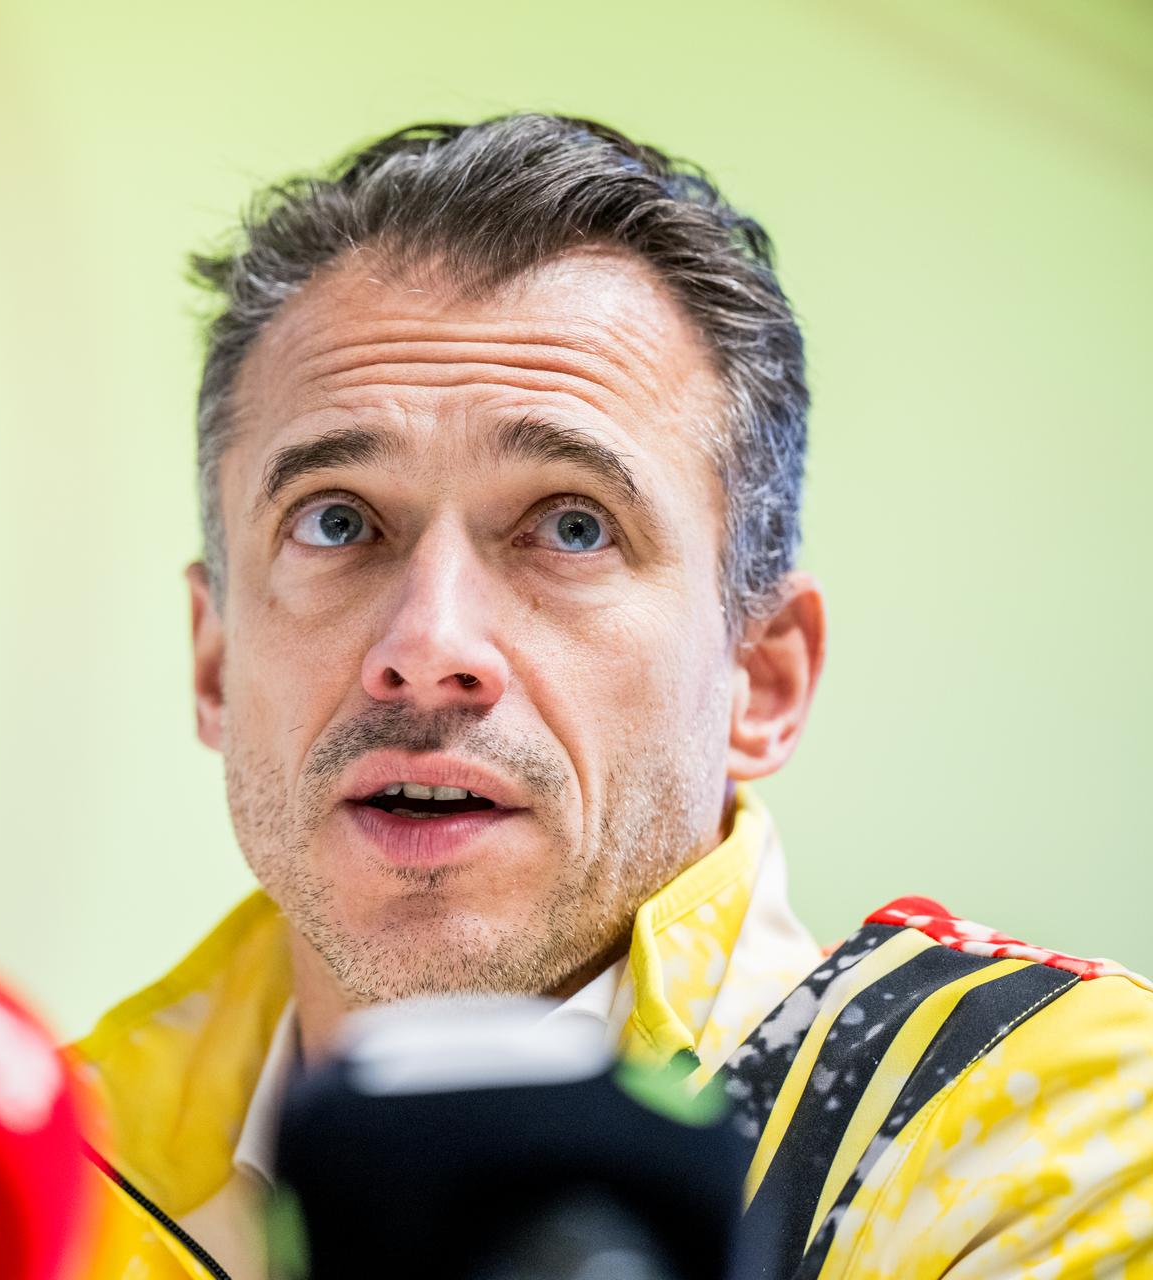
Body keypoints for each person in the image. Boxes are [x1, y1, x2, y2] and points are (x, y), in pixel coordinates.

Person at [67, 114, 1153, 1280]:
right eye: (338, 520)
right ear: (215, 660)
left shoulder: (1037, 1126)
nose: (428, 647)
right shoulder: (1, 1191)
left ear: (764, 678)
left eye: (571, 525)